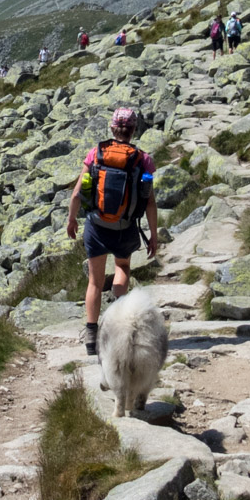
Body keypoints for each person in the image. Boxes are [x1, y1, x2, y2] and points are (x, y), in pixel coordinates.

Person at [67, 106, 159, 356]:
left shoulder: (95, 154)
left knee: (95, 282)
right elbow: (149, 201)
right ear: (133, 130)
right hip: (125, 227)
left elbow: (77, 193)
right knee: (122, 268)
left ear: (112, 128)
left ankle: (91, 335)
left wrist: (72, 220)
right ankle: (121, 325)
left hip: (96, 227)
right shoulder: (143, 159)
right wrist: (154, 235)